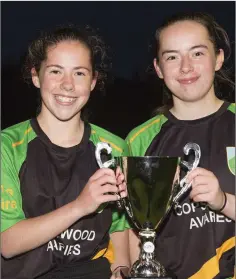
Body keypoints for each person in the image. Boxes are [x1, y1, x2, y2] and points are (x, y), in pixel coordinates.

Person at [1, 24, 130, 279]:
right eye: (56, 71)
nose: (67, 85)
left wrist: (121, 267)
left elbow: (119, 225)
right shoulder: (8, 146)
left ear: (93, 82)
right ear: (36, 76)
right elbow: (7, 243)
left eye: (79, 73)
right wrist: (80, 206)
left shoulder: (115, 147)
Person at [126, 12, 235, 279]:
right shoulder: (138, 140)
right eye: (172, 57)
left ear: (218, 58)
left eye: (197, 53)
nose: (185, 67)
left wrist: (223, 201)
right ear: (159, 68)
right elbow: (133, 228)